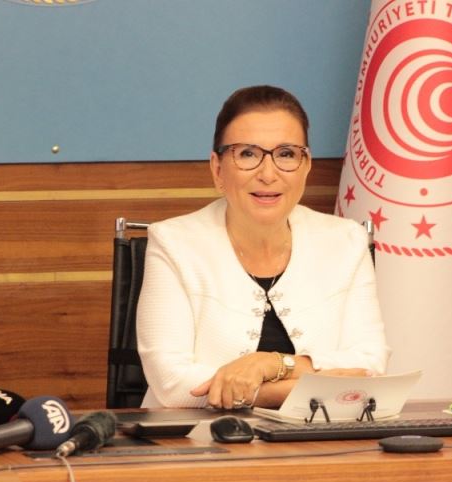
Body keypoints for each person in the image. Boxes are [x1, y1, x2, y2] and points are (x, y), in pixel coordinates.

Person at [137, 85, 390, 409]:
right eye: (247, 154)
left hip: (320, 435)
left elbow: (369, 366)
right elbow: (172, 383)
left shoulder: (347, 241)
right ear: (217, 169)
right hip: (198, 436)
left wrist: (271, 364)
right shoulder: (173, 243)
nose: (268, 174)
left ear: (306, 166)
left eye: (286, 154)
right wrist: (298, 388)